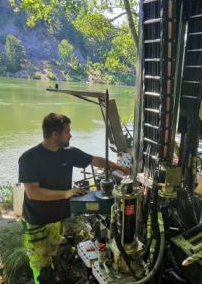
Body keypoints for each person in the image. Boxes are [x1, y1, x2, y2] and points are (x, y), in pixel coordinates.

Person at [19, 113, 129, 283]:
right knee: (42, 271)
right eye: (67, 132)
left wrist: (119, 166)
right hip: (36, 223)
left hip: (56, 220)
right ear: (55, 134)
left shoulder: (68, 153)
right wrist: (65, 193)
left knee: (55, 258)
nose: (71, 135)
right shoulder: (29, 158)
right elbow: (33, 192)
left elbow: (95, 160)